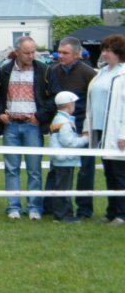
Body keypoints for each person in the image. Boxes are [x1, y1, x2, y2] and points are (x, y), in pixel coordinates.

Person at [0, 36, 53, 220]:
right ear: (17, 52)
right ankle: (13, 207)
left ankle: (34, 207)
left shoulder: (43, 70)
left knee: (34, 170)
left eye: (33, 52)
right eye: (27, 52)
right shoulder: (5, 70)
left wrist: (39, 117)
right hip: (10, 125)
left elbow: (53, 98)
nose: (31, 56)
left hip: (32, 126)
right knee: (11, 169)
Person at [45, 36, 97, 219]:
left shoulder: (89, 73)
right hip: (60, 125)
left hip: (82, 125)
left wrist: (86, 129)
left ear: (77, 54)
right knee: (57, 167)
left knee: (85, 169)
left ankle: (84, 209)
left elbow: (93, 103)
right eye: (59, 52)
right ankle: (51, 206)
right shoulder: (53, 70)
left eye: (65, 53)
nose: (60, 56)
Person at [83, 33, 125, 226]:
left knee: (119, 173)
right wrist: (87, 127)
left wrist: (123, 134)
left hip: (116, 131)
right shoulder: (101, 72)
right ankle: (111, 211)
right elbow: (91, 103)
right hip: (100, 129)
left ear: (118, 52)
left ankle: (122, 214)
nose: (104, 53)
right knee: (108, 172)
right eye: (104, 50)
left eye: (108, 50)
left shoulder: (122, 75)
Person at [49, 92, 89, 224]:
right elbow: (69, 142)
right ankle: (62, 215)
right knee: (64, 189)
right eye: (73, 103)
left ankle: (63, 213)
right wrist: (85, 139)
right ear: (69, 105)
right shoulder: (65, 122)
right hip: (65, 160)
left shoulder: (58, 119)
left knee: (61, 187)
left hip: (60, 159)